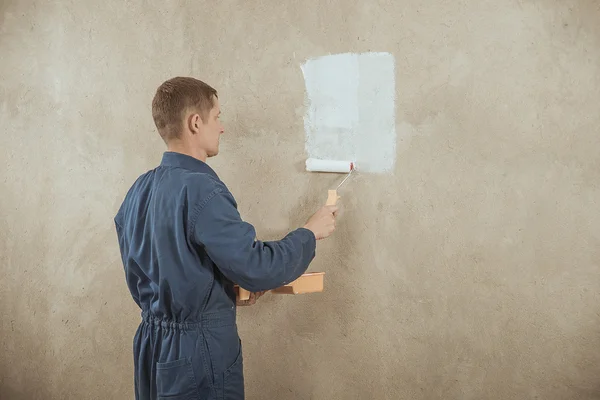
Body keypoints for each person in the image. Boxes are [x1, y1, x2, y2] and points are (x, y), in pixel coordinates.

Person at [114, 76, 338, 400]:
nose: (221, 128)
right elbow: (257, 267)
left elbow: (169, 266)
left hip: (153, 346)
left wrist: (220, 290)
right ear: (195, 122)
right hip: (199, 352)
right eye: (217, 117)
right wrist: (310, 233)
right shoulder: (202, 190)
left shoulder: (139, 190)